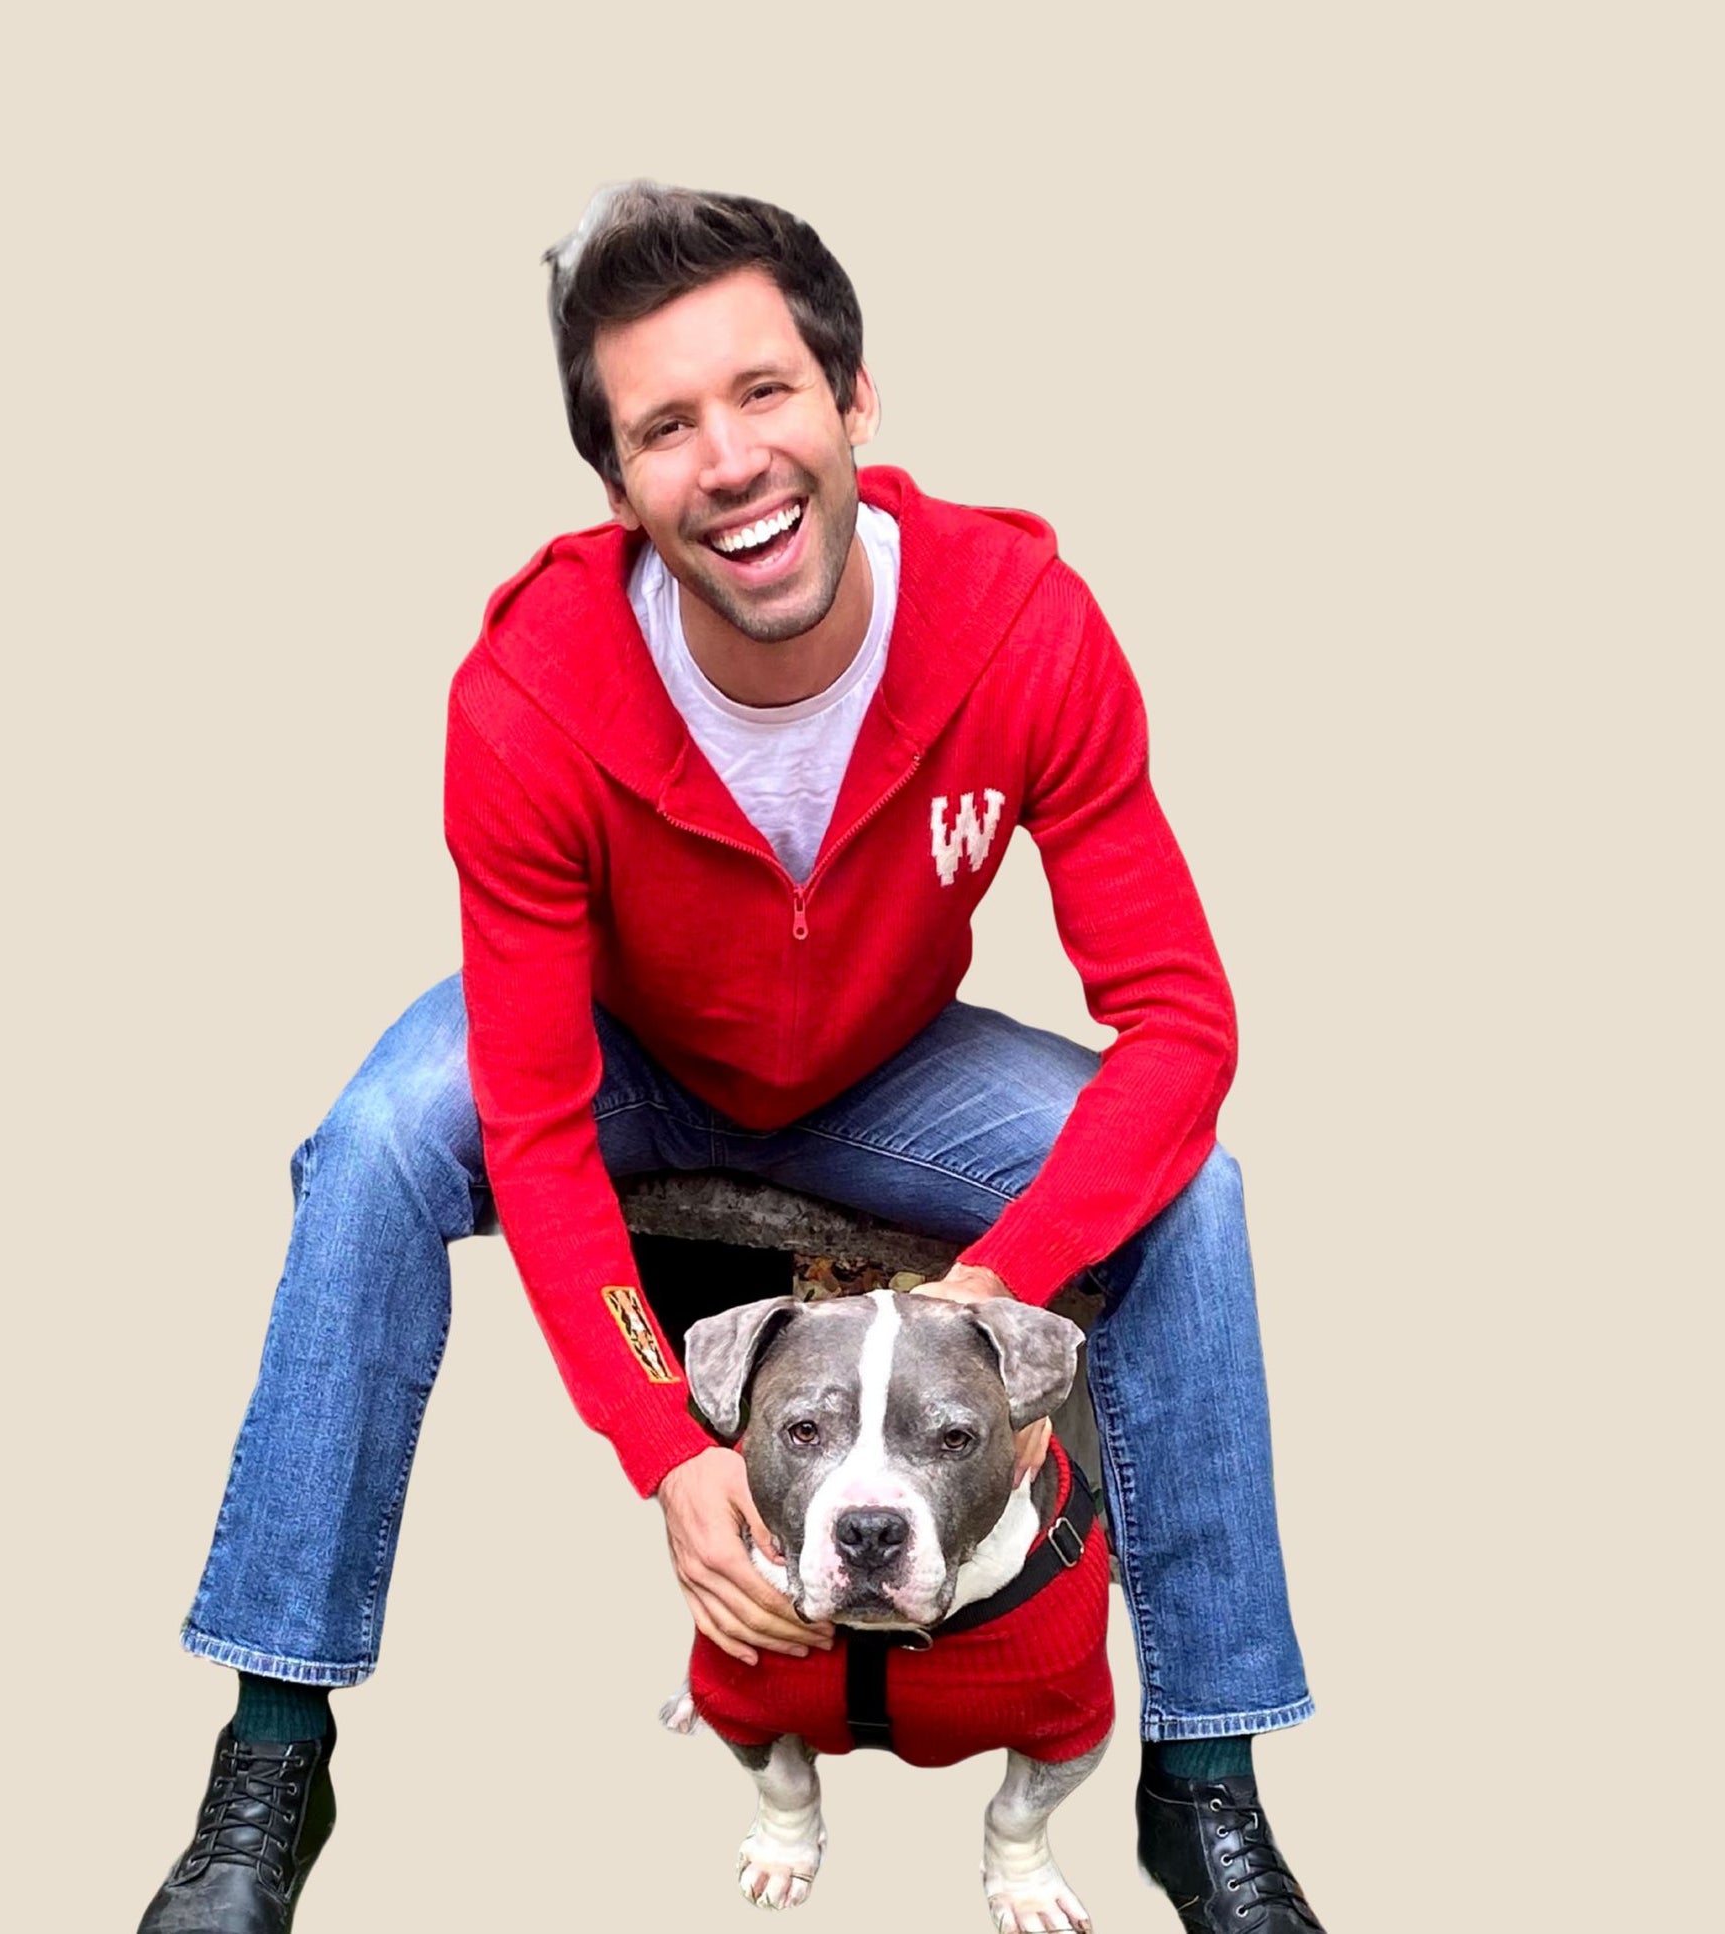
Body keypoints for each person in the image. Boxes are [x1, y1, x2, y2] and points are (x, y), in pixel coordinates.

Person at [137, 182, 1324, 1934]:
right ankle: (273, 1749)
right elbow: (535, 1122)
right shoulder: (526, 694)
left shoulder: (1021, 624)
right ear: (618, 484)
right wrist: (664, 1443)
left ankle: (1204, 1774)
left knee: (1189, 1188)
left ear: (854, 400)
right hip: (622, 1052)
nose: (731, 460)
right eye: (665, 427)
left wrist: (997, 1287)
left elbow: (1180, 1021)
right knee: (379, 1137)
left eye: (764, 392)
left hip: (888, 1068)